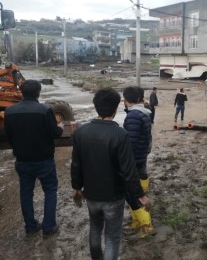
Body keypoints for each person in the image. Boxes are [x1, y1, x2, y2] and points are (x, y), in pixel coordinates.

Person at [71, 88, 150, 259]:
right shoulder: (120, 135)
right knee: (112, 237)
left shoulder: (80, 132)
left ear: (96, 107)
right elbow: (128, 172)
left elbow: (76, 164)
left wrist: (76, 187)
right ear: (115, 109)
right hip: (113, 196)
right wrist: (140, 195)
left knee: (95, 228)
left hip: (91, 194)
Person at [4, 79, 64, 238]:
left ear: (21, 92)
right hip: (44, 159)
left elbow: (9, 135)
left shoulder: (9, 112)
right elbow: (54, 134)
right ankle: (49, 226)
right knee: (50, 190)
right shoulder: (45, 110)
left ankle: (30, 226)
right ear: (38, 92)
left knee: (25, 193)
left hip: (22, 160)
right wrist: (60, 127)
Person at [123, 86, 155, 238]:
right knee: (133, 190)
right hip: (141, 155)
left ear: (127, 100)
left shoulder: (133, 116)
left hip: (134, 158)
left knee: (132, 191)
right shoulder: (144, 112)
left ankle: (146, 225)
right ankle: (137, 221)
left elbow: (131, 142)